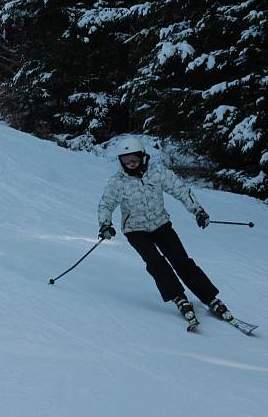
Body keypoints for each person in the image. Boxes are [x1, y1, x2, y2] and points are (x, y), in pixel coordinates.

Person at [97, 136, 233, 328]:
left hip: (160, 224)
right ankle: (178, 296)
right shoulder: (117, 182)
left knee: (181, 260)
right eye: (126, 160)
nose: (131, 163)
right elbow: (106, 204)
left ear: (142, 156)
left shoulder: (158, 173)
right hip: (135, 230)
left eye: (134, 158)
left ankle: (209, 297)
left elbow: (181, 190)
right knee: (156, 263)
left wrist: (198, 211)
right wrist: (105, 225)